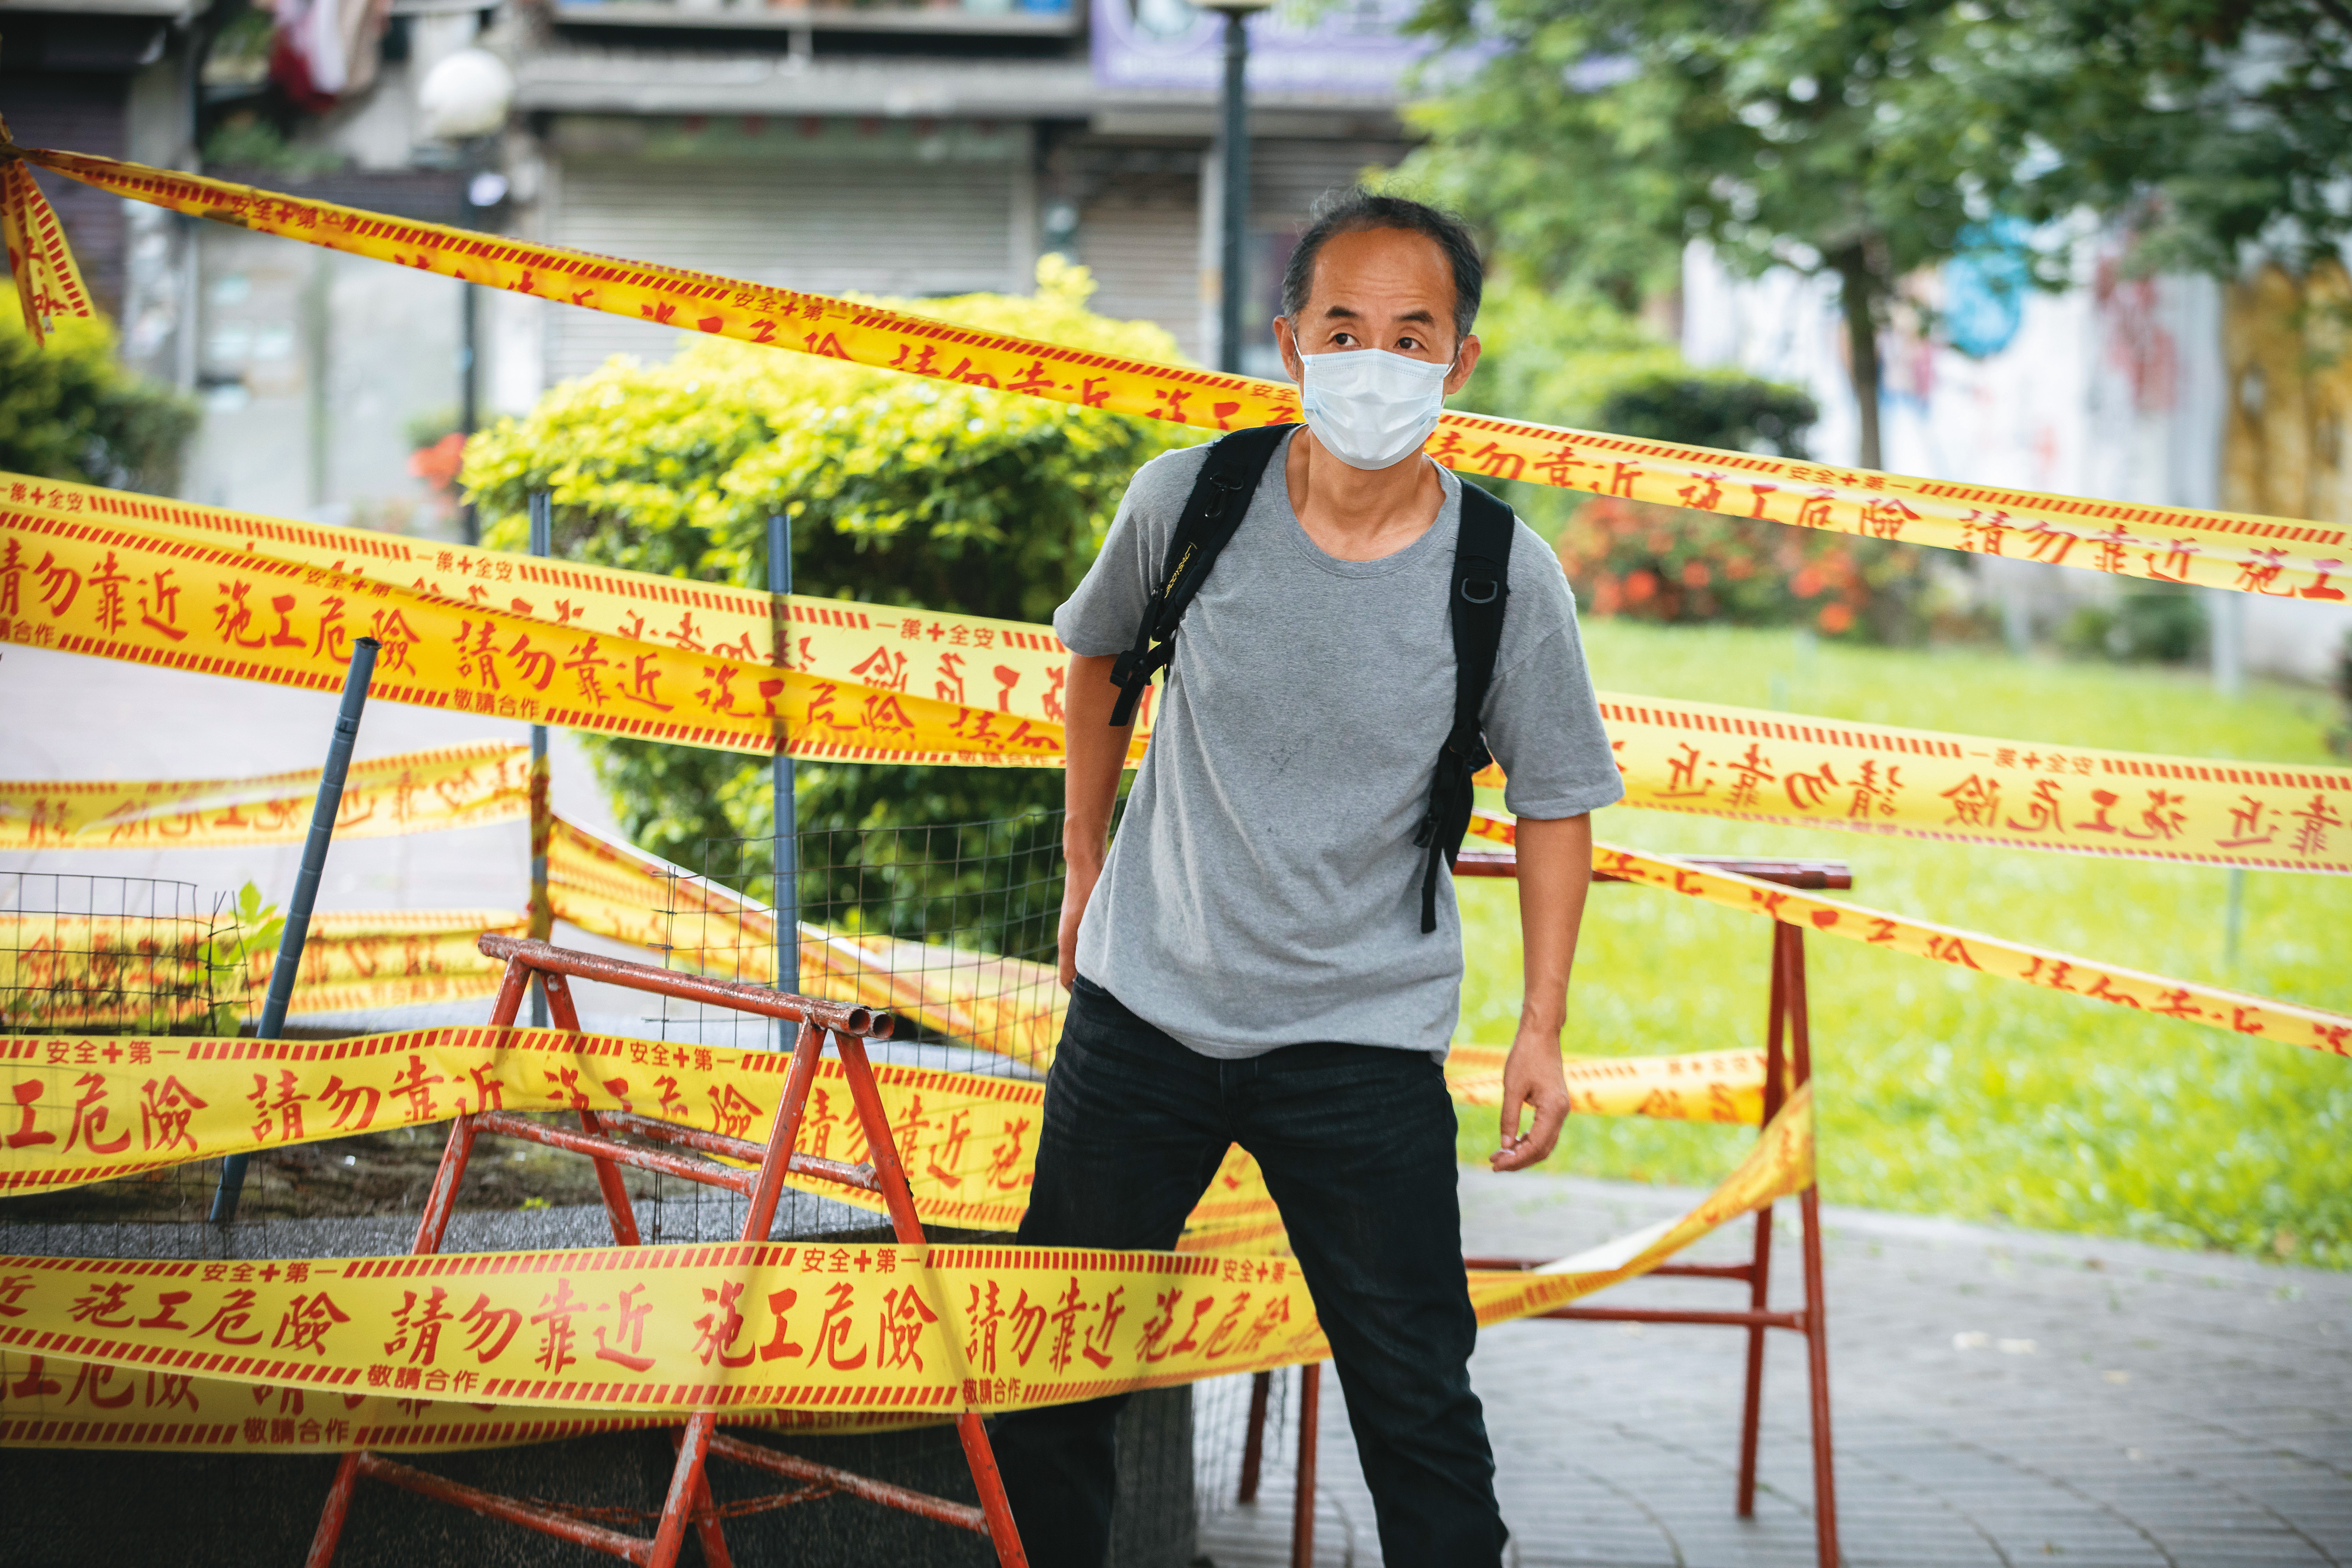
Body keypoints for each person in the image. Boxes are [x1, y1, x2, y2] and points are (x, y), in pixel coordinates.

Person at [990, 189, 1625, 1567]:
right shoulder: (1192, 499)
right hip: (1141, 1016)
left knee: (1418, 1406)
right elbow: (1098, 657)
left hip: (1363, 1043)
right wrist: (1084, 862)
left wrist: (1542, 1026)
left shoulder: (1502, 576)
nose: (1376, 361)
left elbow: (1562, 797)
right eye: (1346, 327)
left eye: (1413, 335)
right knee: (1048, 1373)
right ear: (1292, 341)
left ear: (1460, 362)